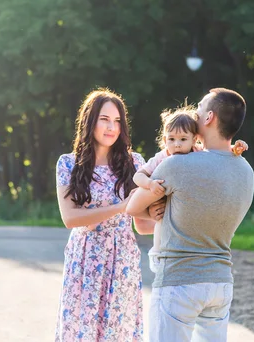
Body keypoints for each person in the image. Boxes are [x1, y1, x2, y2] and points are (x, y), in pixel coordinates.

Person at [127, 88, 254, 342]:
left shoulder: (177, 165)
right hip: (220, 283)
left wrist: (153, 211)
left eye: (198, 110)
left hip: (179, 280)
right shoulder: (246, 171)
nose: (193, 115)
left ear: (209, 118)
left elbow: (132, 207)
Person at [55, 88, 156, 341]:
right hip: (85, 256)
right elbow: (70, 218)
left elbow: (142, 225)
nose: (112, 127)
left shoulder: (134, 163)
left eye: (117, 121)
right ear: (90, 121)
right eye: (104, 119)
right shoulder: (68, 163)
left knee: (117, 330)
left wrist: (167, 215)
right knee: (82, 330)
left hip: (122, 257)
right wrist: (121, 207)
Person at [132, 106, 248, 274]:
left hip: (186, 207)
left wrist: (235, 150)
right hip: (163, 205)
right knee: (160, 227)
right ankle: (157, 254)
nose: (176, 144)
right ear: (165, 140)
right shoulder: (162, 157)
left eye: (182, 139)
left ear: (194, 140)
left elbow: (220, 153)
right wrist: (150, 184)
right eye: (171, 139)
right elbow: (138, 176)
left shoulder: (198, 152)